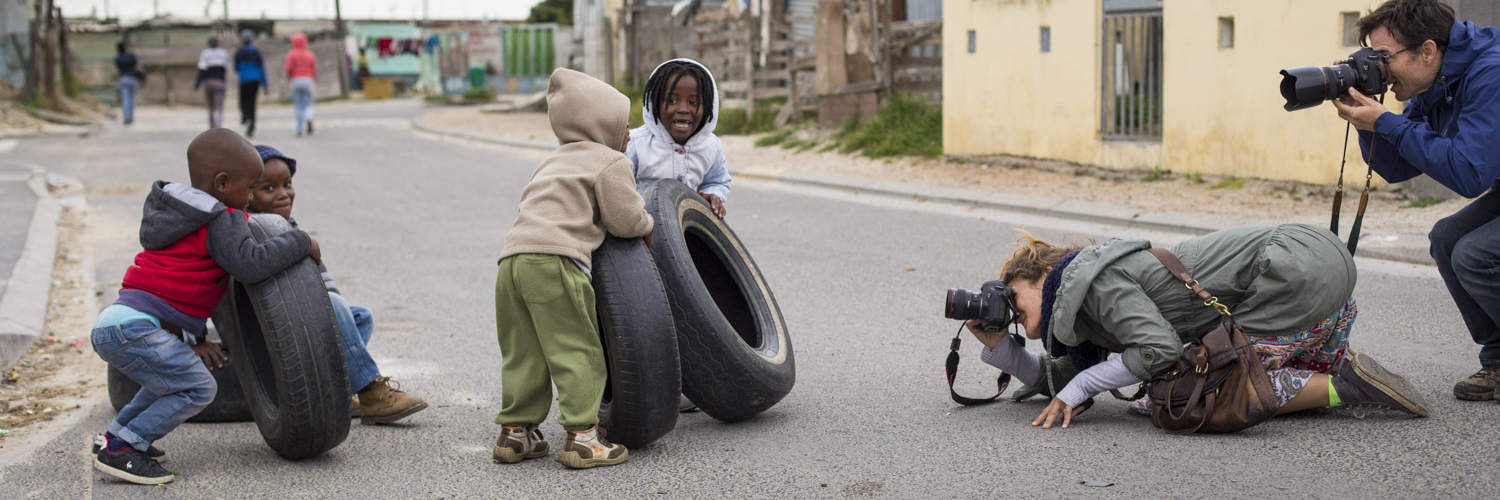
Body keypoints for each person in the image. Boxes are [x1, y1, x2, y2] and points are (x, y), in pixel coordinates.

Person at [969, 224, 1429, 430]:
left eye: (1014, 294)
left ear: (1044, 276)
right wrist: (1001, 349)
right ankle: (1325, 366)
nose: (1010, 308)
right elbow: (1065, 382)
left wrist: (1084, 383)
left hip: (1292, 273)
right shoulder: (1086, 295)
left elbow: (1158, 351)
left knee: (1184, 397)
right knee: (1208, 366)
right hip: (1320, 270)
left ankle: (1345, 385)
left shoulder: (1092, 282)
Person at [90, 129, 318, 485]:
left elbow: (180, 290)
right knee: (199, 388)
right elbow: (250, 263)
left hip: (118, 321)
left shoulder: (179, 215)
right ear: (224, 183)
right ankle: (125, 448)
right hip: (138, 327)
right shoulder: (221, 218)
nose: (251, 196)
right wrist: (301, 241)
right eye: (251, 186)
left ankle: (114, 436)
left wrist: (195, 340)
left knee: (165, 384)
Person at [1331, 0, 1500, 402]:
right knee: (1446, 239)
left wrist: (1388, 122)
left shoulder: (1490, 72)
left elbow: (1469, 174)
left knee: (1474, 253)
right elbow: (1396, 167)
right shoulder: (1437, 76)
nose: (1381, 71)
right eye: (1374, 58)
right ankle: (1498, 361)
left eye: (1384, 58)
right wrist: (1367, 120)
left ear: (1427, 49)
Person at [492, 68, 654, 469]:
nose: (630, 134)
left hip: (511, 261)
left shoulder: (550, 162)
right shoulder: (609, 161)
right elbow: (624, 218)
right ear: (602, 126)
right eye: (624, 125)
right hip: (556, 263)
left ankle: (516, 434)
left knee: (522, 352)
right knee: (576, 348)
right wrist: (648, 225)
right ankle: (584, 439)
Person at [246, 144, 428, 424]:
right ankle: (370, 392)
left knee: (360, 317)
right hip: (276, 323)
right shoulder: (255, 229)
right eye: (268, 188)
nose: (283, 194)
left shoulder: (287, 226)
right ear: (247, 196)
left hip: (302, 312)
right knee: (335, 306)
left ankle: (339, 390)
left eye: (287, 184)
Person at [625, 58, 732, 219]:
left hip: (687, 228)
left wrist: (712, 195)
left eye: (693, 102)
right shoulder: (636, 144)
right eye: (672, 101)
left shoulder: (711, 146)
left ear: (709, 106)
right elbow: (620, 188)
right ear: (654, 103)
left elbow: (717, 181)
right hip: (642, 226)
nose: (683, 109)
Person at [233, 30, 269, 138]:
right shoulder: (257, 52)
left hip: (244, 80)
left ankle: (245, 117)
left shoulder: (239, 52)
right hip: (255, 80)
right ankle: (252, 123)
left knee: (243, 101)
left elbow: (236, 68)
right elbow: (262, 69)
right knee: (252, 102)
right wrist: (265, 85)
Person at [285, 33, 318, 137]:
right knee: (308, 103)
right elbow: (313, 70)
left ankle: (299, 129)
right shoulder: (310, 54)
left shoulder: (292, 54)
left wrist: (290, 78)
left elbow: (288, 69)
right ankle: (309, 119)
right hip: (308, 80)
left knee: (298, 105)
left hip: (296, 80)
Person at [195, 37, 229, 129]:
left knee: (211, 106)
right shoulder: (223, 53)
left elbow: (202, 70)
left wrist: (197, 84)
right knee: (218, 106)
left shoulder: (205, 53)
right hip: (220, 82)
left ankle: (212, 127)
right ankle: (218, 125)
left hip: (209, 82)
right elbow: (225, 69)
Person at [114, 41, 142, 126]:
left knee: (126, 99)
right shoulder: (131, 56)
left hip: (123, 79)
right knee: (131, 99)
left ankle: (126, 117)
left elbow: (119, 69)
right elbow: (136, 65)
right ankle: (130, 116)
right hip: (132, 79)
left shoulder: (117, 58)